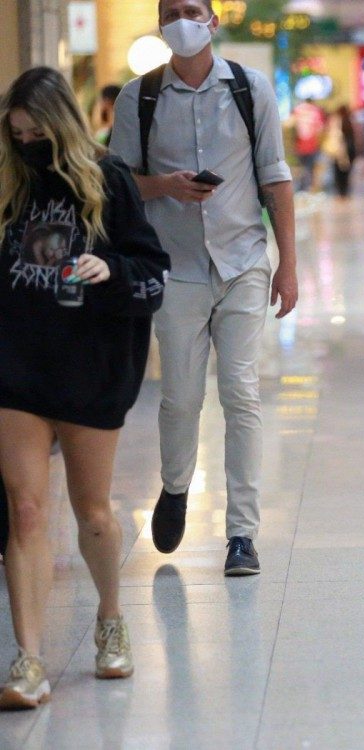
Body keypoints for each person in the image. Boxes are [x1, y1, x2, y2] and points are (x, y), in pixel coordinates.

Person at [0, 66, 171, 708]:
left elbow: (153, 267)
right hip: (16, 366)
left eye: (35, 132)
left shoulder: (109, 180)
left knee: (92, 511)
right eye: (15, 134)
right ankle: (30, 660)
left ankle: (109, 619)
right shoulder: (8, 188)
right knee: (25, 510)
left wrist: (112, 269)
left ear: (60, 125)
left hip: (89, 365)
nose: (26, 144)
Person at [110, 0, 299, 576]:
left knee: (241, 394)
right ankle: (174, 488)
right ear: (160, 22)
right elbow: (117, 187)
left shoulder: (249, 88)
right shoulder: (137, 99)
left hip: (242, 262)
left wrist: (288, 264)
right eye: (171, 11)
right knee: (181, 398)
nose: (182, 20)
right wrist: (164, 185)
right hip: (175, 268)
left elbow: (275, 175)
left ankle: (242, 534)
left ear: (214, 21)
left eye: (192, 10)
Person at [290, 98, 326, 192]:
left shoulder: (297, 110)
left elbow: (290, 125)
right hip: (312, 144)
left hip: (298, 144)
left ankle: (301, 187)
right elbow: (320, 129)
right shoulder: (316, 111)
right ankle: (307, 187)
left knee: (300, 167)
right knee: (309, 167)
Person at [326, 104, 357, 198]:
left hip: (339, 149)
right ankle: (345, 190)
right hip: (349, 149)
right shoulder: (350, 121)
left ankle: (340, 191)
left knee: (338, 171)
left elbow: (333, 135)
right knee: (346, 171)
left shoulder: (337, 122)